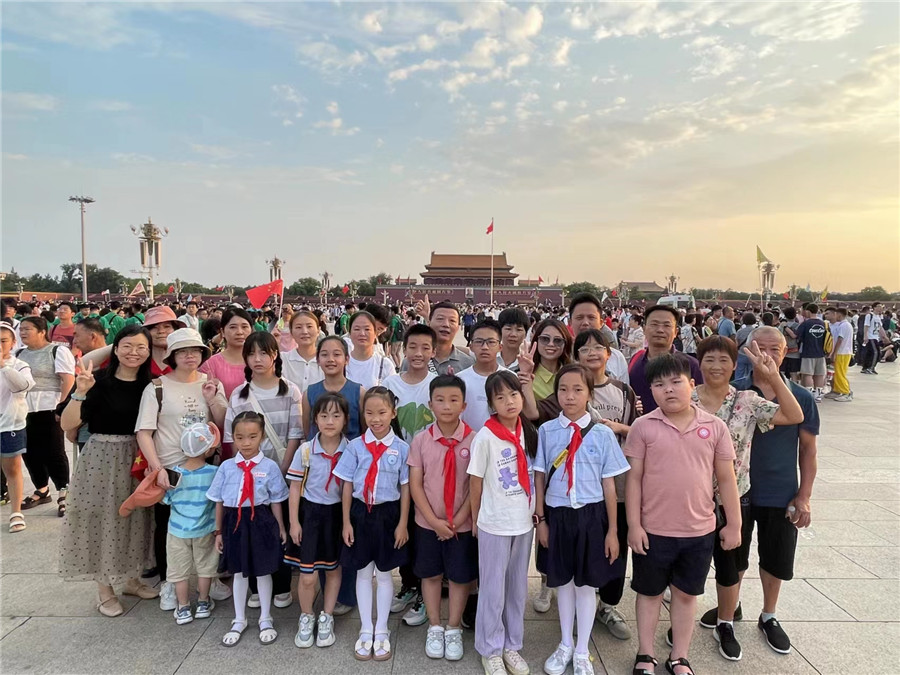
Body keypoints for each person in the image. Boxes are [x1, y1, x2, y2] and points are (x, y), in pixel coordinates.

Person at [624, 354, 741, 675]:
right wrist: (633, 525)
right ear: (651, 390)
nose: (668, 389)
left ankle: (679, 656)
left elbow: (726, 479)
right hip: (653, 531)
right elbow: (634, 479)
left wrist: (734, 524)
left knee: (686, 596)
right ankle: (645, 654)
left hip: (698, 532)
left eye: (676, 382)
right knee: (649, 595)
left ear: (692, 385)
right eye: (659, 384)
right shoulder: (643, 427)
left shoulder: (714, 427)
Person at [690, 335, 804, 661]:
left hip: (733, 498)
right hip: (689, 498)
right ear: (700, 363)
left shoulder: (747, 400)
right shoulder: (686, 398)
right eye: (709, 359)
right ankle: (683, 620)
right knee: (689, 564)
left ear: (734, 365)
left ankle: (725, 623)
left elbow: (793, 415)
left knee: (730, 566)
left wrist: (773, 377)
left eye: (723, 360)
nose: (716, 366)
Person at [718, 326, 819, 657]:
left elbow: (808, 451)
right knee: (733, 557)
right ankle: (729, 612)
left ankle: (769, 615)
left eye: (775, 349)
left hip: (780, 490)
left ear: (786, 352)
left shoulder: (801, 397)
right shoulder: (735, 392)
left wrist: (804, 496)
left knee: (776, 558)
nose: (767, 355)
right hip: (738, 492)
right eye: (760, 348)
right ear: (746, 351)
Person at [534, 364, 630, 675]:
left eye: (578, 389)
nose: (570, 396)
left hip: (592, 517)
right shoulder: (547, 431)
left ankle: (581, 649)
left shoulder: (602, 433)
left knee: (586, 585)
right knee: (563, 583)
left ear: (589, 393)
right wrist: (541, 521)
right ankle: (565, 643)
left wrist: (612, 531)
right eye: (563, 389)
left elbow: (609, 485)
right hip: (558, 515)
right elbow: (539, 477)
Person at [58, 325, 158, 615]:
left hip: (137, 456)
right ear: (115, 348)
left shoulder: (150, 385)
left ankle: (131, 579)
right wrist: (80, 392)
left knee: (137, 517)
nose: (133, 352)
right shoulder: (97, 381)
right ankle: (104, 589)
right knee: (102, 520)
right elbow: (67, 424)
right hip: (102, 457)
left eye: (141, 347)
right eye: (126, 346)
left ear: (149, 352)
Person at [135, 328, 228, 611]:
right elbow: (144, 432)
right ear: (172, 356)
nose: (190, 356)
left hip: (205, 468)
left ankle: (209, 578)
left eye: (196, 351)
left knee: (208, 524)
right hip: (170, 470)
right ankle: (169, 583)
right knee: (168, 529)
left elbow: (224, 423)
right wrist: (157, 467)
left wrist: (213, 398)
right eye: (183, 351)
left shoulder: (210, 383)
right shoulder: (156, 388)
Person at [224, 331, 303, 608]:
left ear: (275, 356)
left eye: (263, 353)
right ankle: (256, 586)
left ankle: (281, 585)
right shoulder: (239, 395)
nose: (257, 359)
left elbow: (295, 433)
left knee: (278, 530)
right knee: (252, 529)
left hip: (281, 471)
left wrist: (282, 469)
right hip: (249, 476)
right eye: (251, 354)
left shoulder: (290, 390)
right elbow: (231, 437)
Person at [333, 387, 411, 662]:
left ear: (393, 413)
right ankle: (366, 628)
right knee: (363, 573)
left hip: (388, 515)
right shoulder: (355, 447)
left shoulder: (402, 449)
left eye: (381, 412)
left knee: (386, 574)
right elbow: (346, 485)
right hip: (360, 514)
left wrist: (403, 523)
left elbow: (405, 488)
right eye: (369, 413)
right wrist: (346, 522)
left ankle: (382, 629)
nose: (375, 419)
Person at [468, 370, 536, 675]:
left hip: (523, 522)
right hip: (494, 522)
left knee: (517, 588)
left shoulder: (528, 431)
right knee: (493, 589)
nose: (509, 401)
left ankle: (512, 644)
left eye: (514, 394)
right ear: (491, 404)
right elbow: (475, 481)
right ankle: (490, 649)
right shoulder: (486, 436)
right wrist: (475, 519)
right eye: (500, 397)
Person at [408, 374, 478, 662]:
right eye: (440, 400)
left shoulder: (475, 440)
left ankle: (453, 627)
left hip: (462, 525)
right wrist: (434, 521)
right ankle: (435, 626)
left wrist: (458, 521)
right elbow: (415, 484)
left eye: (453, 400)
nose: (446, 406)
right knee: (431, 574)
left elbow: (475, 487)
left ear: (464, 405)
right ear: (430, 405)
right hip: (428, 524)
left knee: (460, 578)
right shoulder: (421, 440)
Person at [208, 411, 290, 646]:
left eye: (252, 437)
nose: (246, 443)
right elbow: (219, 501)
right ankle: (239, 619)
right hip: (234, 522)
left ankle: (265, 617)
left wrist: (281, 527)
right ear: (233, 437)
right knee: (238, 572)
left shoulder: (270, 466)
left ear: (262, 436)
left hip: (261, 522)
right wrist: (218, 531)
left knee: (263, 570)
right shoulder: (226, 467)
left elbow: (276, 500)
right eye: (240, 437)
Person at [285, 393, 349, 649]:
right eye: (324, 415)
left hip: (337, 516)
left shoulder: (350, 450)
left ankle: (327, 616)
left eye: (336, 415)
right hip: (309, 516)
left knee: (333, 569)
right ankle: (306, 615)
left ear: (345, 419)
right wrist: (294, 522)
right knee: (307, 575)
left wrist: (347, 522)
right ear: (315, 419)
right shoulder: (305, 450)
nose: (329, 421)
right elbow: (294, 487)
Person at [16, 316, 75, 515]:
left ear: (42, 332)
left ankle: (64, 491)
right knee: (29, 451)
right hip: (24, 408)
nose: (23, 333)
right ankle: (41, 489)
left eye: (28, 329)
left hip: (50, 406)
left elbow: (67, 379)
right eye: (21, 329)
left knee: (53, 451)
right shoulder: (19, 353)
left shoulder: (57, 351)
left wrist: (62, 406)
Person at [162, 424, 220, 625]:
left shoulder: (173, 474)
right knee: (205, 567)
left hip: (177, 530)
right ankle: (203, 603)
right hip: (205, 529)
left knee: (179, 571)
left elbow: (166, 500)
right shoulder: (214, 472)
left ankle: (184, 607)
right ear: (208, 449)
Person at [627, 305, 703, 414]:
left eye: (667, 325)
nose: (660, 330)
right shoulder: (635, 360)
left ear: (676, 332)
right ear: (644, 329)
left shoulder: (691, 365)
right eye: (654, 324)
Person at [1, 322, 34, 533]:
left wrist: (4, 367)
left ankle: (16, 512)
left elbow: (23, 386)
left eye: (3, 341)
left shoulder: (19, 365)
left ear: (13, 343)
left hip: (9, 424)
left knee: (12, 468)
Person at [302, 336, 365, 441]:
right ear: (318, 360)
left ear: (346, 359)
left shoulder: (359, 393)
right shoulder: (309, 393)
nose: (330, 359)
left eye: (336, 354)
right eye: (324, 355)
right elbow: (307, 430)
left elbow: (365, 430)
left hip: (352, 450)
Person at [567, 293, 629, 383]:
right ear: (570, 322)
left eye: (591, 317)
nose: (585, 323)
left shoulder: (616, 357)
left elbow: (623, 390)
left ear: (601, 322)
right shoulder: (563, 356)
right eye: (579, 318)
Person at [458, 319, 508, 430]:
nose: (485, 347)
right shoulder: (460, 380)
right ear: (471, 346)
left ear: (500, 347)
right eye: (479, 341)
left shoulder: (510, 378)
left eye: (491, 342)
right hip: (468, 439)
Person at [409, 299, 474, 375]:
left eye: (452, 321)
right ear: (429, 322)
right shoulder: (412, 361)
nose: (446, 324)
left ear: (458, 327)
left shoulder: (468, 364)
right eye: (440, 319)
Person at [201, 307, 253, 399]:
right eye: (233, 327)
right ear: (222, 332)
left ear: (251, 330)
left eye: (244, 327)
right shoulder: (210, 364)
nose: (239, 332)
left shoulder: (261, 360)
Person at [346, 311, 397, 389]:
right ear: (350, 333)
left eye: (367, 329)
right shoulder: (341, 363)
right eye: (357, 329)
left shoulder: (385, 365)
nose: (362, 333)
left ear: (375, 333)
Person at [280, 310, 324, 395]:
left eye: (309, 326)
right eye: (298, 327)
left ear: (318, 330)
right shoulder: (282, 359)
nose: (304, 331)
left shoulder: (327, 360)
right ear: (291, 332)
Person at [529, 318, 572, 402]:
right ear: (536, 341)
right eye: (545, 339)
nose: (551, 344)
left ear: (566, 344)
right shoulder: (527, 375)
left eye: (558, 341)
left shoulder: (574, 374)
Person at [795, 303, 827, 401]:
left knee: (807, 374)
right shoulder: (823, 323)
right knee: (819, 374)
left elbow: (797, 335)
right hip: (821, 353)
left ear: (808, 311)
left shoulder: (806, 324)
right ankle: (818, 395)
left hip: (808, 352)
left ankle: (809, 394)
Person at [827, 308, 854, 401]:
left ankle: (846, 392)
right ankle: (838, 390)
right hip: (842, 352)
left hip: (842, 352)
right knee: (836, 373)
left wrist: (834, 353)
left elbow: (840, 339)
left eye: (836, 314)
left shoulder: (844, 325)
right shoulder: (843, 325)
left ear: (840, 315)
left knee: (840, 373)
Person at [497, 307, 529, 372]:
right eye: (508, 329)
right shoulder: (490, 357)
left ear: (525, 334)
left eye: (519, 330)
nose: (513, 334)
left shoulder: (528, 362)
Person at [862, 302, 889, 374]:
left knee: (871, 353)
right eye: (878, 306)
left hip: (876, 337)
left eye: (881, 306)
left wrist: (885, 337)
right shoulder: (869, 315)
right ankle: (870, 368)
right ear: (874, 307)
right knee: (875, 352)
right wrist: (865, 336)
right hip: (870, 337)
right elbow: (866, 326)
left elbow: (880, 328)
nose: (880, 308)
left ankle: (866, 367)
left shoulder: (878, 317)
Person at [733, 312, 759, 381]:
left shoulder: (740, 331)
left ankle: (738, 385)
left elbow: (736, 344)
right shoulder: (756, 331)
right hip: (752, 355)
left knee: (739, 373)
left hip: (741, 354)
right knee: (752, 373)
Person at [778, 307, 801, 382]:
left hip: (783, 352)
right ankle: (794, 387)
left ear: (785, 315)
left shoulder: (781, 325)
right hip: (795, 353)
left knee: (781, 372)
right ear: (795, 315)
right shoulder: (798, 326)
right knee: (793, 373)